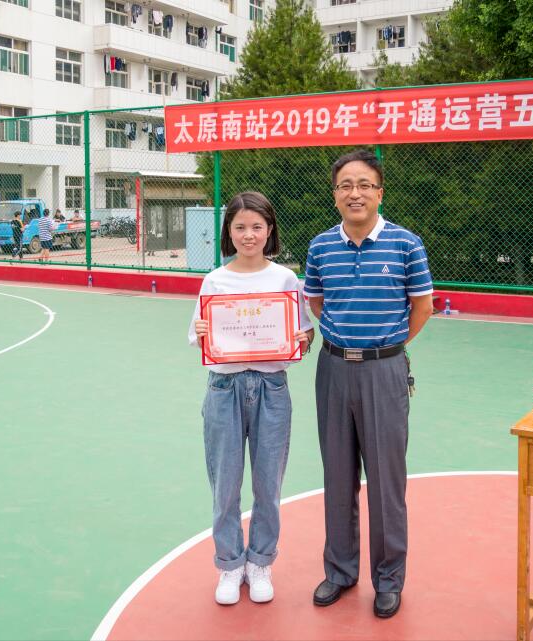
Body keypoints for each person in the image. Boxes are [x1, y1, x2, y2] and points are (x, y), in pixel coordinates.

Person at [303, 149, 434, 619]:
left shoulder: (406, 244)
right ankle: (340, 571)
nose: (354, 193)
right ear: (334, 194)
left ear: (380, 192)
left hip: (385, 372)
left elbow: (422, 307)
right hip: (333, 369)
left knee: (385, 481)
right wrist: (349, 340)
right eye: (345, 185)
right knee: (337, 476)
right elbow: (316, 302)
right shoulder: (321, 246)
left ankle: (389, 578)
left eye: (364, 185)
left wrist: (386, 346)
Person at [188, 191, 315, 606]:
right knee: (224, 484)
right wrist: (204, 333)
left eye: (257, 227)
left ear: (269, 230)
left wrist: (302, 339)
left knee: (268, 483)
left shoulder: (286, 280)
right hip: (224, 389)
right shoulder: (214, 280)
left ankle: (260, 561)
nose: (248, 235)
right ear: (228, 231)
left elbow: (302, 333)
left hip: (271, 388)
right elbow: (200, 336)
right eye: (240, 227)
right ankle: (229, 564)